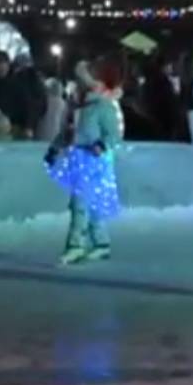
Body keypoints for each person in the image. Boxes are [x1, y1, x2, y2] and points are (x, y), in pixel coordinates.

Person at [47, 56, 124, 265]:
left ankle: (75, 245)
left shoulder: (102, 106)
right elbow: (68, 133)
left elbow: (113, 134)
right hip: (78, 159)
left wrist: (101, 146)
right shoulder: (78, 107)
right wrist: (55, 148)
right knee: (90, 204)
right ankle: (101, 242)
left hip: (94, 160)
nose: (78, 84)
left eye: (81, 80)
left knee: (80, 203)